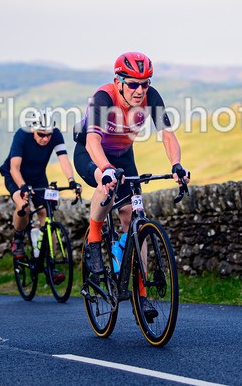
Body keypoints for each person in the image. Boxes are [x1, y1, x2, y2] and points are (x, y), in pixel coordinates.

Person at [73, 51, 190, 322]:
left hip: (124, 155)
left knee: (134, 217)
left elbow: (167, 135)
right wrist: (105, 170)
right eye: (133, 83)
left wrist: (176, 164)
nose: (140, 90)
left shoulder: (152, 97)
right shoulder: (104, 98)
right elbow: (92, 143)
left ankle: (141, 293)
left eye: (145, 83)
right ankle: (93, 242)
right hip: (92, 153)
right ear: (119, 81)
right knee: (106, 187)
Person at [0, 108, 80, 279]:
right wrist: (22, 187)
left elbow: (63, 158)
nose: (45, 139)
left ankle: (49, 263)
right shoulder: (22, 135)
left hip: (38, 177)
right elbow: (14, 167)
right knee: (24, 206)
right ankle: (18, 238)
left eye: (48, 135)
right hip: (16, 176)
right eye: (41, 134)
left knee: (47, 213)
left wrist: (71, 180)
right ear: (33, 130)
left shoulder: (56, 135)